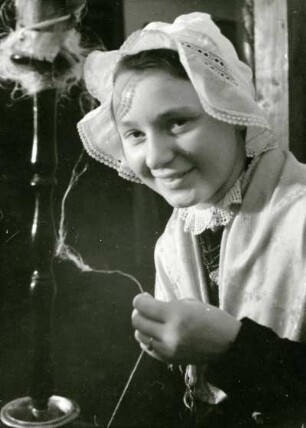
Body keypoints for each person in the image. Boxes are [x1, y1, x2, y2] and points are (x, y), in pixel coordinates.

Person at [77, 12, 306, 428]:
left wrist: (232, 348)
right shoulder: (176, 238)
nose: (156, 157)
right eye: (135, 134)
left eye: (177, 122)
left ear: (232, 113)